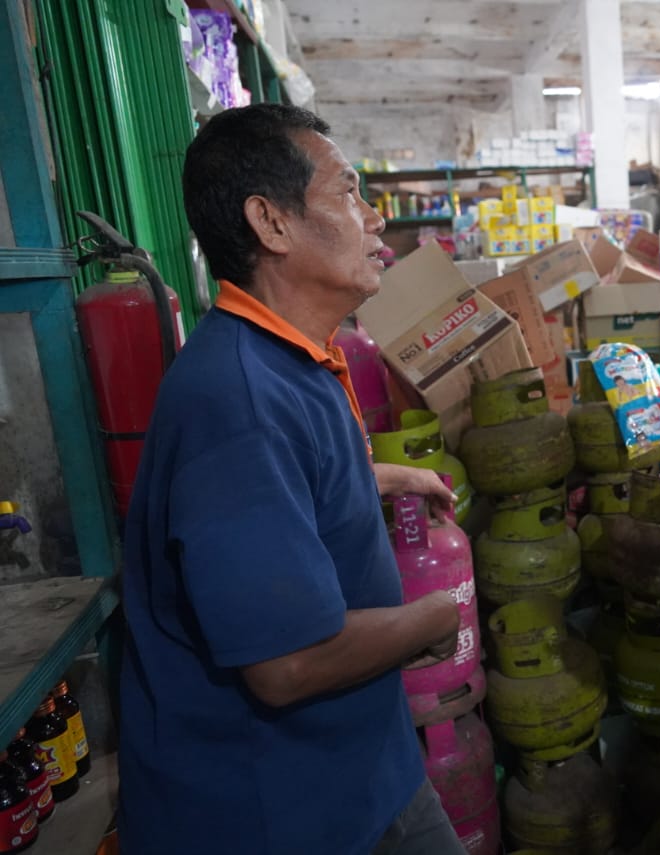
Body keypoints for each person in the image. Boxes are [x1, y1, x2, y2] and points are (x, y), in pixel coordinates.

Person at [117, 103, 468, 855]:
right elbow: (288, 662)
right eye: (347, 192)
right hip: (279, 810)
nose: (375, 220)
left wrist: (382, 476)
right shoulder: (236, 398)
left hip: (366, 768)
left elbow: (289, 482)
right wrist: (436, 615)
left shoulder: (290, 357)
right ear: (271, 224)